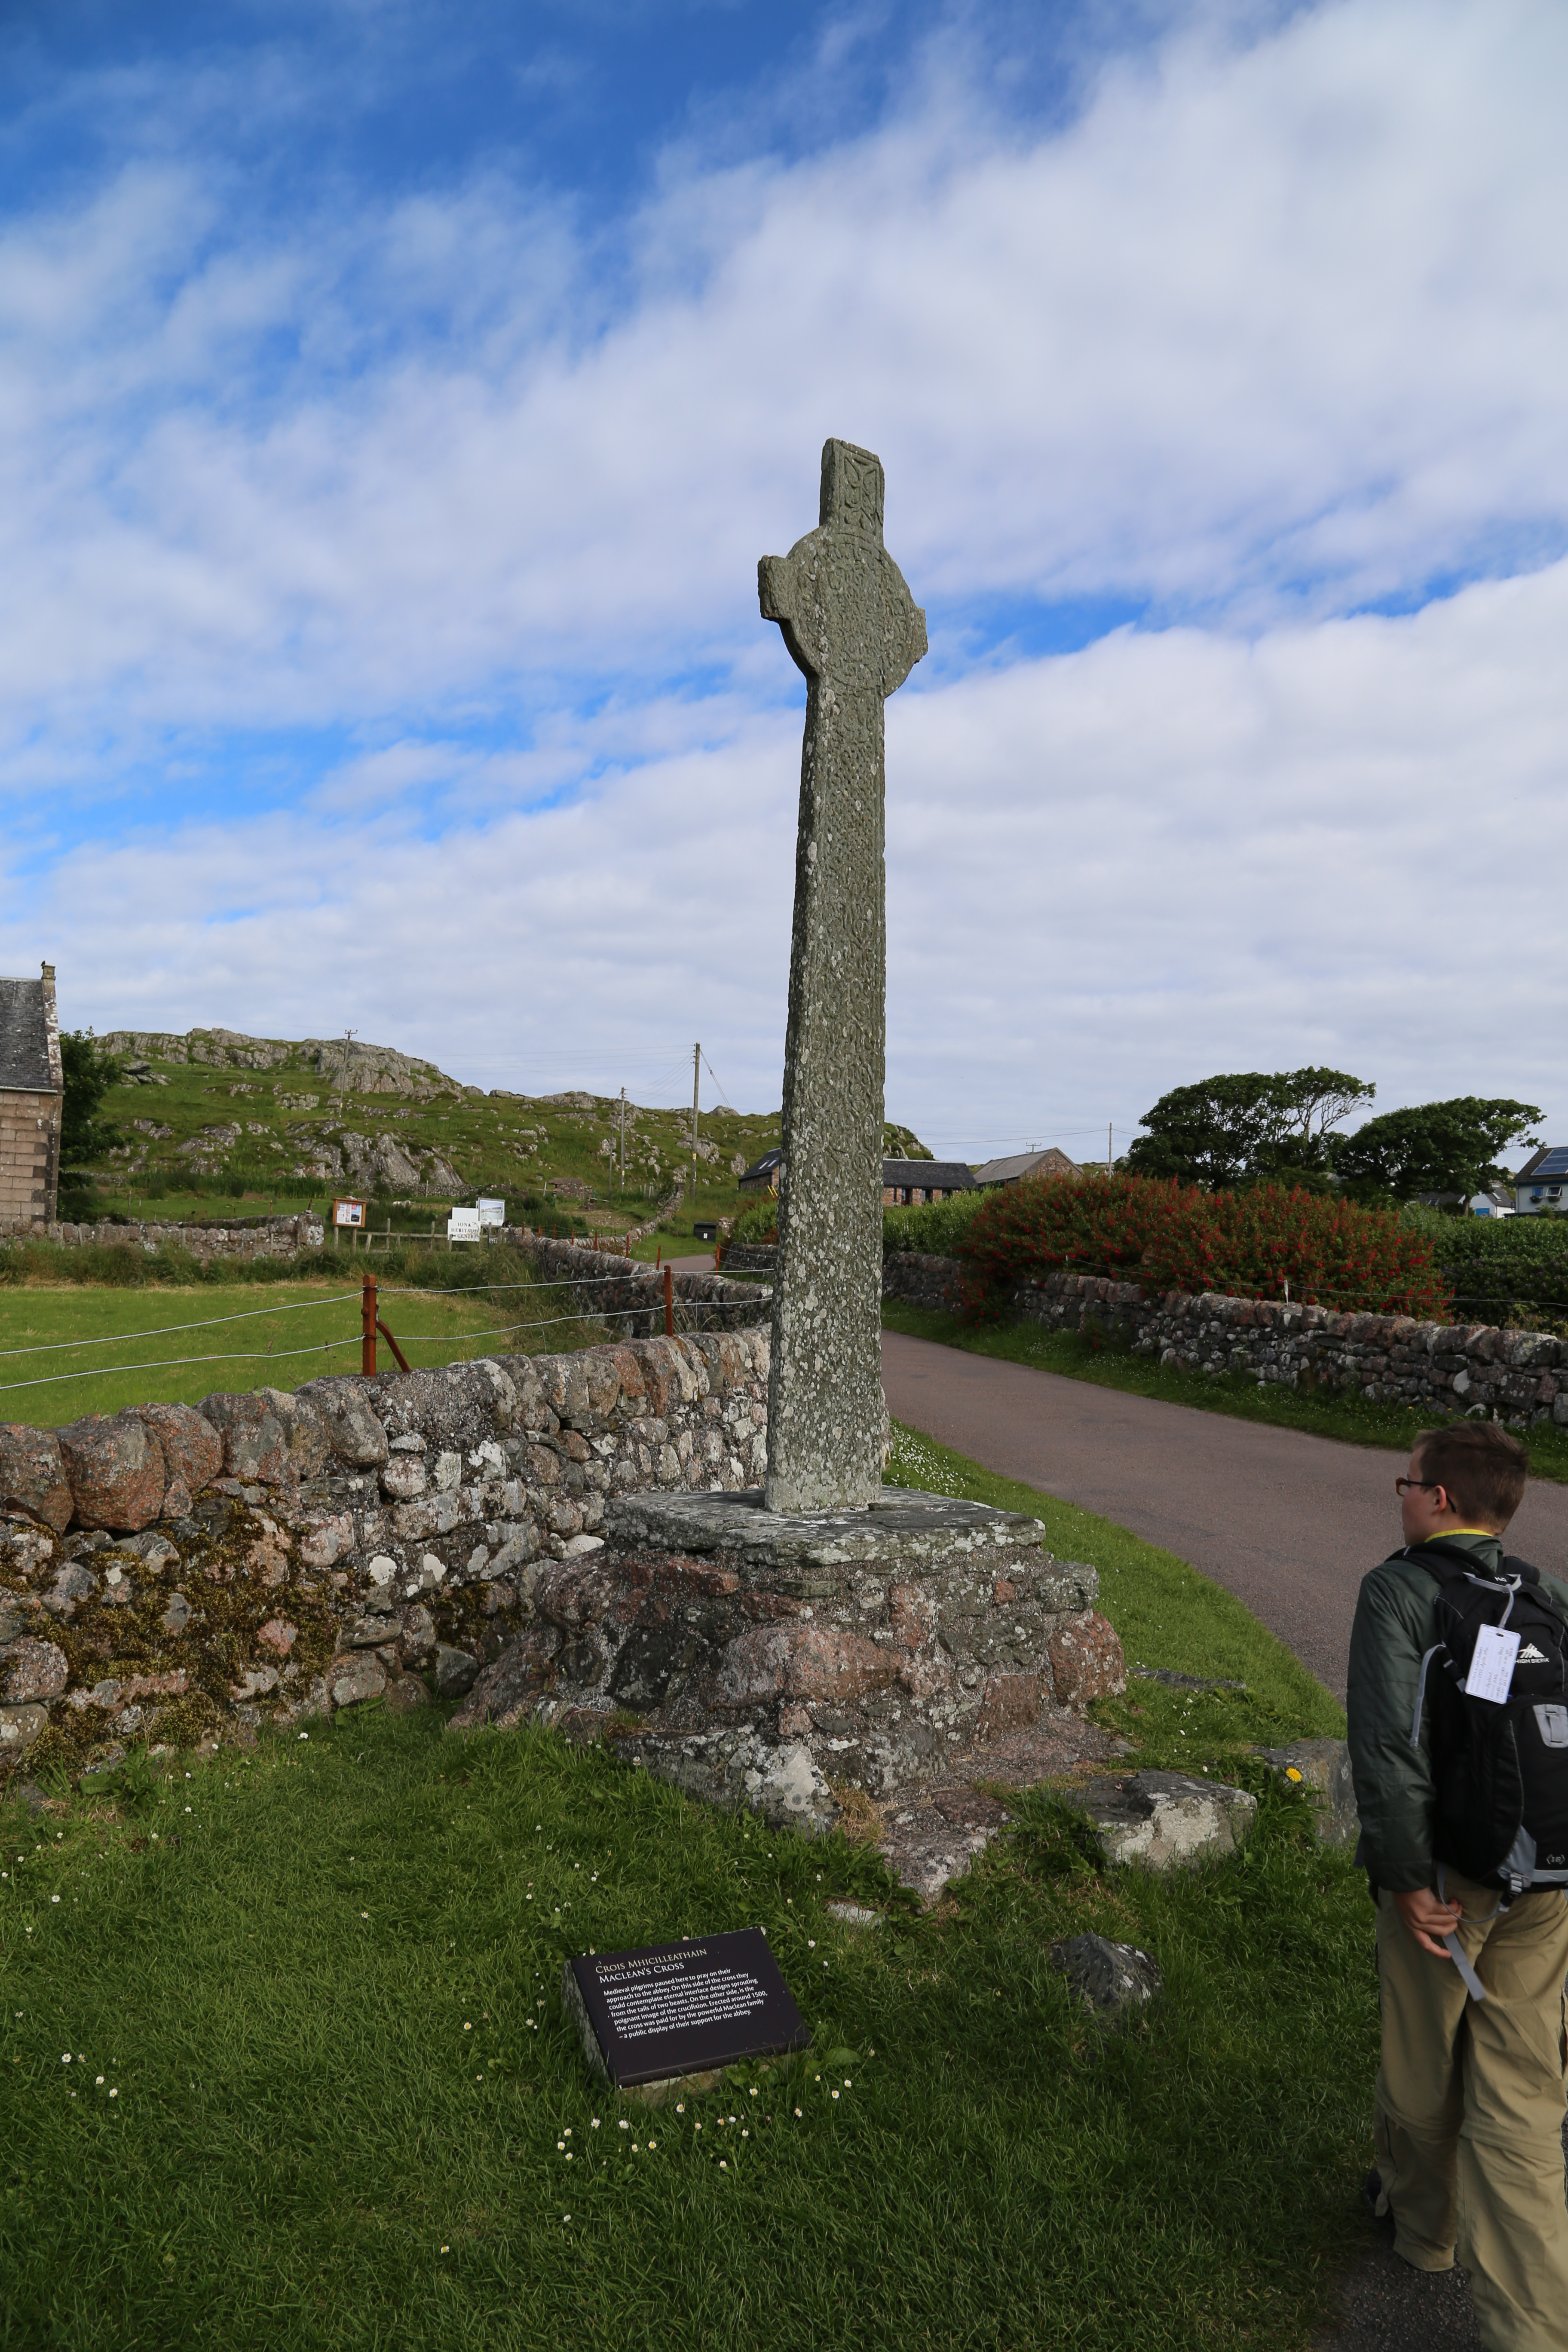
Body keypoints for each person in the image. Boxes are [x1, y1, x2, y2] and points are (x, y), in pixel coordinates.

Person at [1346, 1418, 1568, 2351]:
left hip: (1446, 1878)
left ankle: (1427, 2237)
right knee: (1523, 2097)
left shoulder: (1399, 1589)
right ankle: (1536, 2330)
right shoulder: (1546, 1594)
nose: (1398, 1494)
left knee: (1424, 2068)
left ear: (1437, 1499)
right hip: (1546, 1878)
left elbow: (1390, 1749)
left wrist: (1404, 1877)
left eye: (1406, 1480)